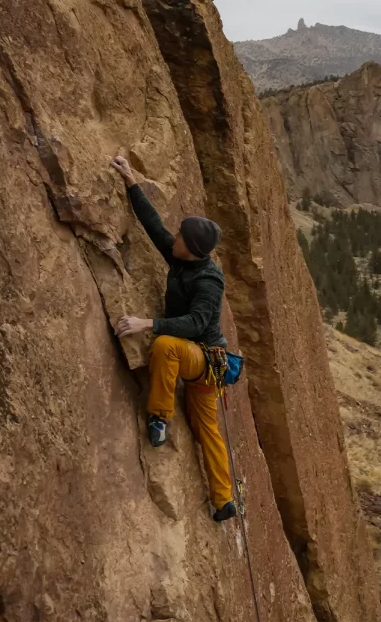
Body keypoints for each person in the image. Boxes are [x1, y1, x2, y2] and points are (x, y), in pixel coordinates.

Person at [109, 156, 238, 522]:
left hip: (204, 360)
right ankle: (223, 500)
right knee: (206, 430)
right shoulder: (182, 258)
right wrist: (131, 182)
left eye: (181, 235)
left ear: (193, 247)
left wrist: (147, 323)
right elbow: (153, 228)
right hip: (198, 362)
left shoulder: (208, 281)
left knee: (164, 346)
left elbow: (197, 323)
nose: (175, 236)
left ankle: (159, 418)